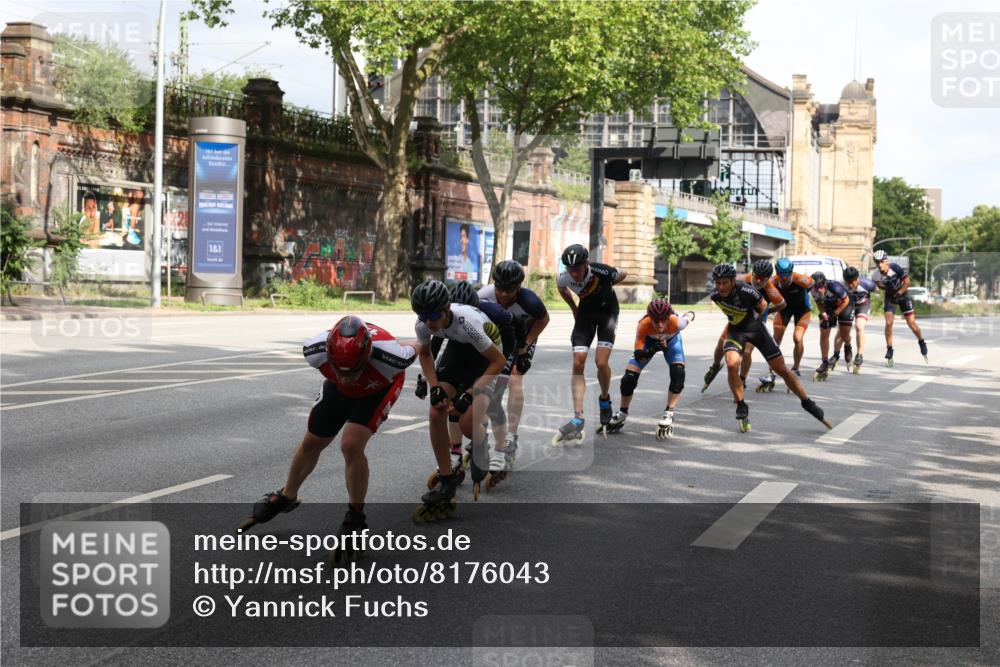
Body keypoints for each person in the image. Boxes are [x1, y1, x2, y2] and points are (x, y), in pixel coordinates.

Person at [239, 316, 417, 567]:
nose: (346, 376)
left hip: (379, 387)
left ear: (366, 357)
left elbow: (422, 345)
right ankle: (288, 495)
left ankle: (356, 515)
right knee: (312, 441)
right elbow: (343, 377)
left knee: (351, 445)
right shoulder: (314, 350)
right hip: (339, 392)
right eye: (339, 369)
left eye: (353, 370)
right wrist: (346, 375)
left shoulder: (393, 357)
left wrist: (431, 383)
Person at [411, 280, 512, 522]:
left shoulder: (468, 322)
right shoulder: (424, 323)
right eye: (422, 316)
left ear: (446, 309)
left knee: (467, 425)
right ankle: (447, 481)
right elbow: (425, 353)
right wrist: (434, 387)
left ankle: (479, 442)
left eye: (434, 314)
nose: (428, 321)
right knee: (436, 411)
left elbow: (497, 362)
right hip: (458, 349)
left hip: (486, 357)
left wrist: (469, 393)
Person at [708, 263, 831, 432]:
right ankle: (741, 405)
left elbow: (765, 307)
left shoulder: (747, 290)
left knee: (781, 369)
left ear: (732, 281)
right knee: (731, 364)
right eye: (718, 283)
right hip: (736, 332)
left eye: (725, 283)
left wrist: (754, 316)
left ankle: (807, 402)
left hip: (757, 331)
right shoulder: (715, 296)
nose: (721, 287)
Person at [553, 243, 628, 441]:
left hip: (607, 313)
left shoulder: (601, 271)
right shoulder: (564, 277)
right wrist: (573, 308)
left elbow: (624, 274)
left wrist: (608, 286)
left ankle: (604, 399)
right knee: (578, 362)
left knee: (601, 362)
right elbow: (561, 288)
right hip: (585, 314)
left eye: (577, 268)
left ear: (586, 263)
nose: (574, 273)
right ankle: (578, 417)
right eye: (570, 269)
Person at [479, 259, 550, 463]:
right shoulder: (484, 295)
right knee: (487, 382)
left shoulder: (530, 301)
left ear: (519, 287)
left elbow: (544, 319)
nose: (503, 294)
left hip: (522, 336)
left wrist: (526, 343)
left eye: (509, 290)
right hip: (498, 336)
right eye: (500, 288)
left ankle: (511, 436)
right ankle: (480, 430)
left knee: (514, 379)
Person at [606, 298, 694, 440]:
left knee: (678, 373)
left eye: (663, 320)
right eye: (655, 320)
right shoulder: (644, 324)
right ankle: (623, 412)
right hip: (650, 343)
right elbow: (638, 355)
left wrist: (690, 314)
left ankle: (669, 413)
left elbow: (689, 316)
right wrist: (653, 349)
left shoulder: (677, 322)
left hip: (672, 342)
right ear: (650, 318)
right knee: (629, 378)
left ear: (669, 317)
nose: (659, 324)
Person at [702, 259, 786, 393]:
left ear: (768, 279)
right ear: (752, 273)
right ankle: (715, 366)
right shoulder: (741, 279)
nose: (758, 281)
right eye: (756, 276)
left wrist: (767, 312)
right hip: (737, 316)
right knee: (720, 345)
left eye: (762, 279)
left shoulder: (770, 288)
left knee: (747, 351)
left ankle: (742, 378)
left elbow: (783, 305)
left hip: (755, 320)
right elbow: (722, 289)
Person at [871, 249, 928, 365]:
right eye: (877, 262)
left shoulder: (895, 268)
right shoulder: (875, 275)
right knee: (888, 323)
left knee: (911, 324)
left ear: (886, 261)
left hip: (903, 295)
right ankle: (889, 348)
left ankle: (921, 341)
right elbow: (879, 286)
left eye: (881, 262)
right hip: (890, 297)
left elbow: (907, 282)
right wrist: (889, 290)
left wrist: (898, 293)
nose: (879, 264)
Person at [768, 257, 815, 380]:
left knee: (797, 338)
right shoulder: (772, 281)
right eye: (781, 275)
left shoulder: (800, 279)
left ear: (791, 272)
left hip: (802, 310)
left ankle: (796, 368)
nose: (784, 278)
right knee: (776, 340)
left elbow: (812, 283)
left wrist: (805, 291)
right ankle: (772, 369)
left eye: (787, 275)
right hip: (784, 310)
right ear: (777, 273)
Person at [810, 272, 853, 381]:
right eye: (816, 287)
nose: (819, 289)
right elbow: (819, 304)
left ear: (825, 284)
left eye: (820, 286)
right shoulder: (813, 290)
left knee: (844, 335)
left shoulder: (835, 287)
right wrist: (824, 314)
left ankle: (848, 346)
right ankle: (824, 362)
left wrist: (835, 314)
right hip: (829, 306)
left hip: (845, 305)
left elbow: (846, 300)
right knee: (824, 331)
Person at [841, 266, 878, 373]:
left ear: (857, 279)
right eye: (847, 282)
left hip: (863, 305)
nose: (850, 285)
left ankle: (859, 354)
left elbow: (878, 290)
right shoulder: (842, 285)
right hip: (849, 306)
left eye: (852, 282)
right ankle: (838, 353)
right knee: (841, 332)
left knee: (859, 326)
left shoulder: (867, 284)